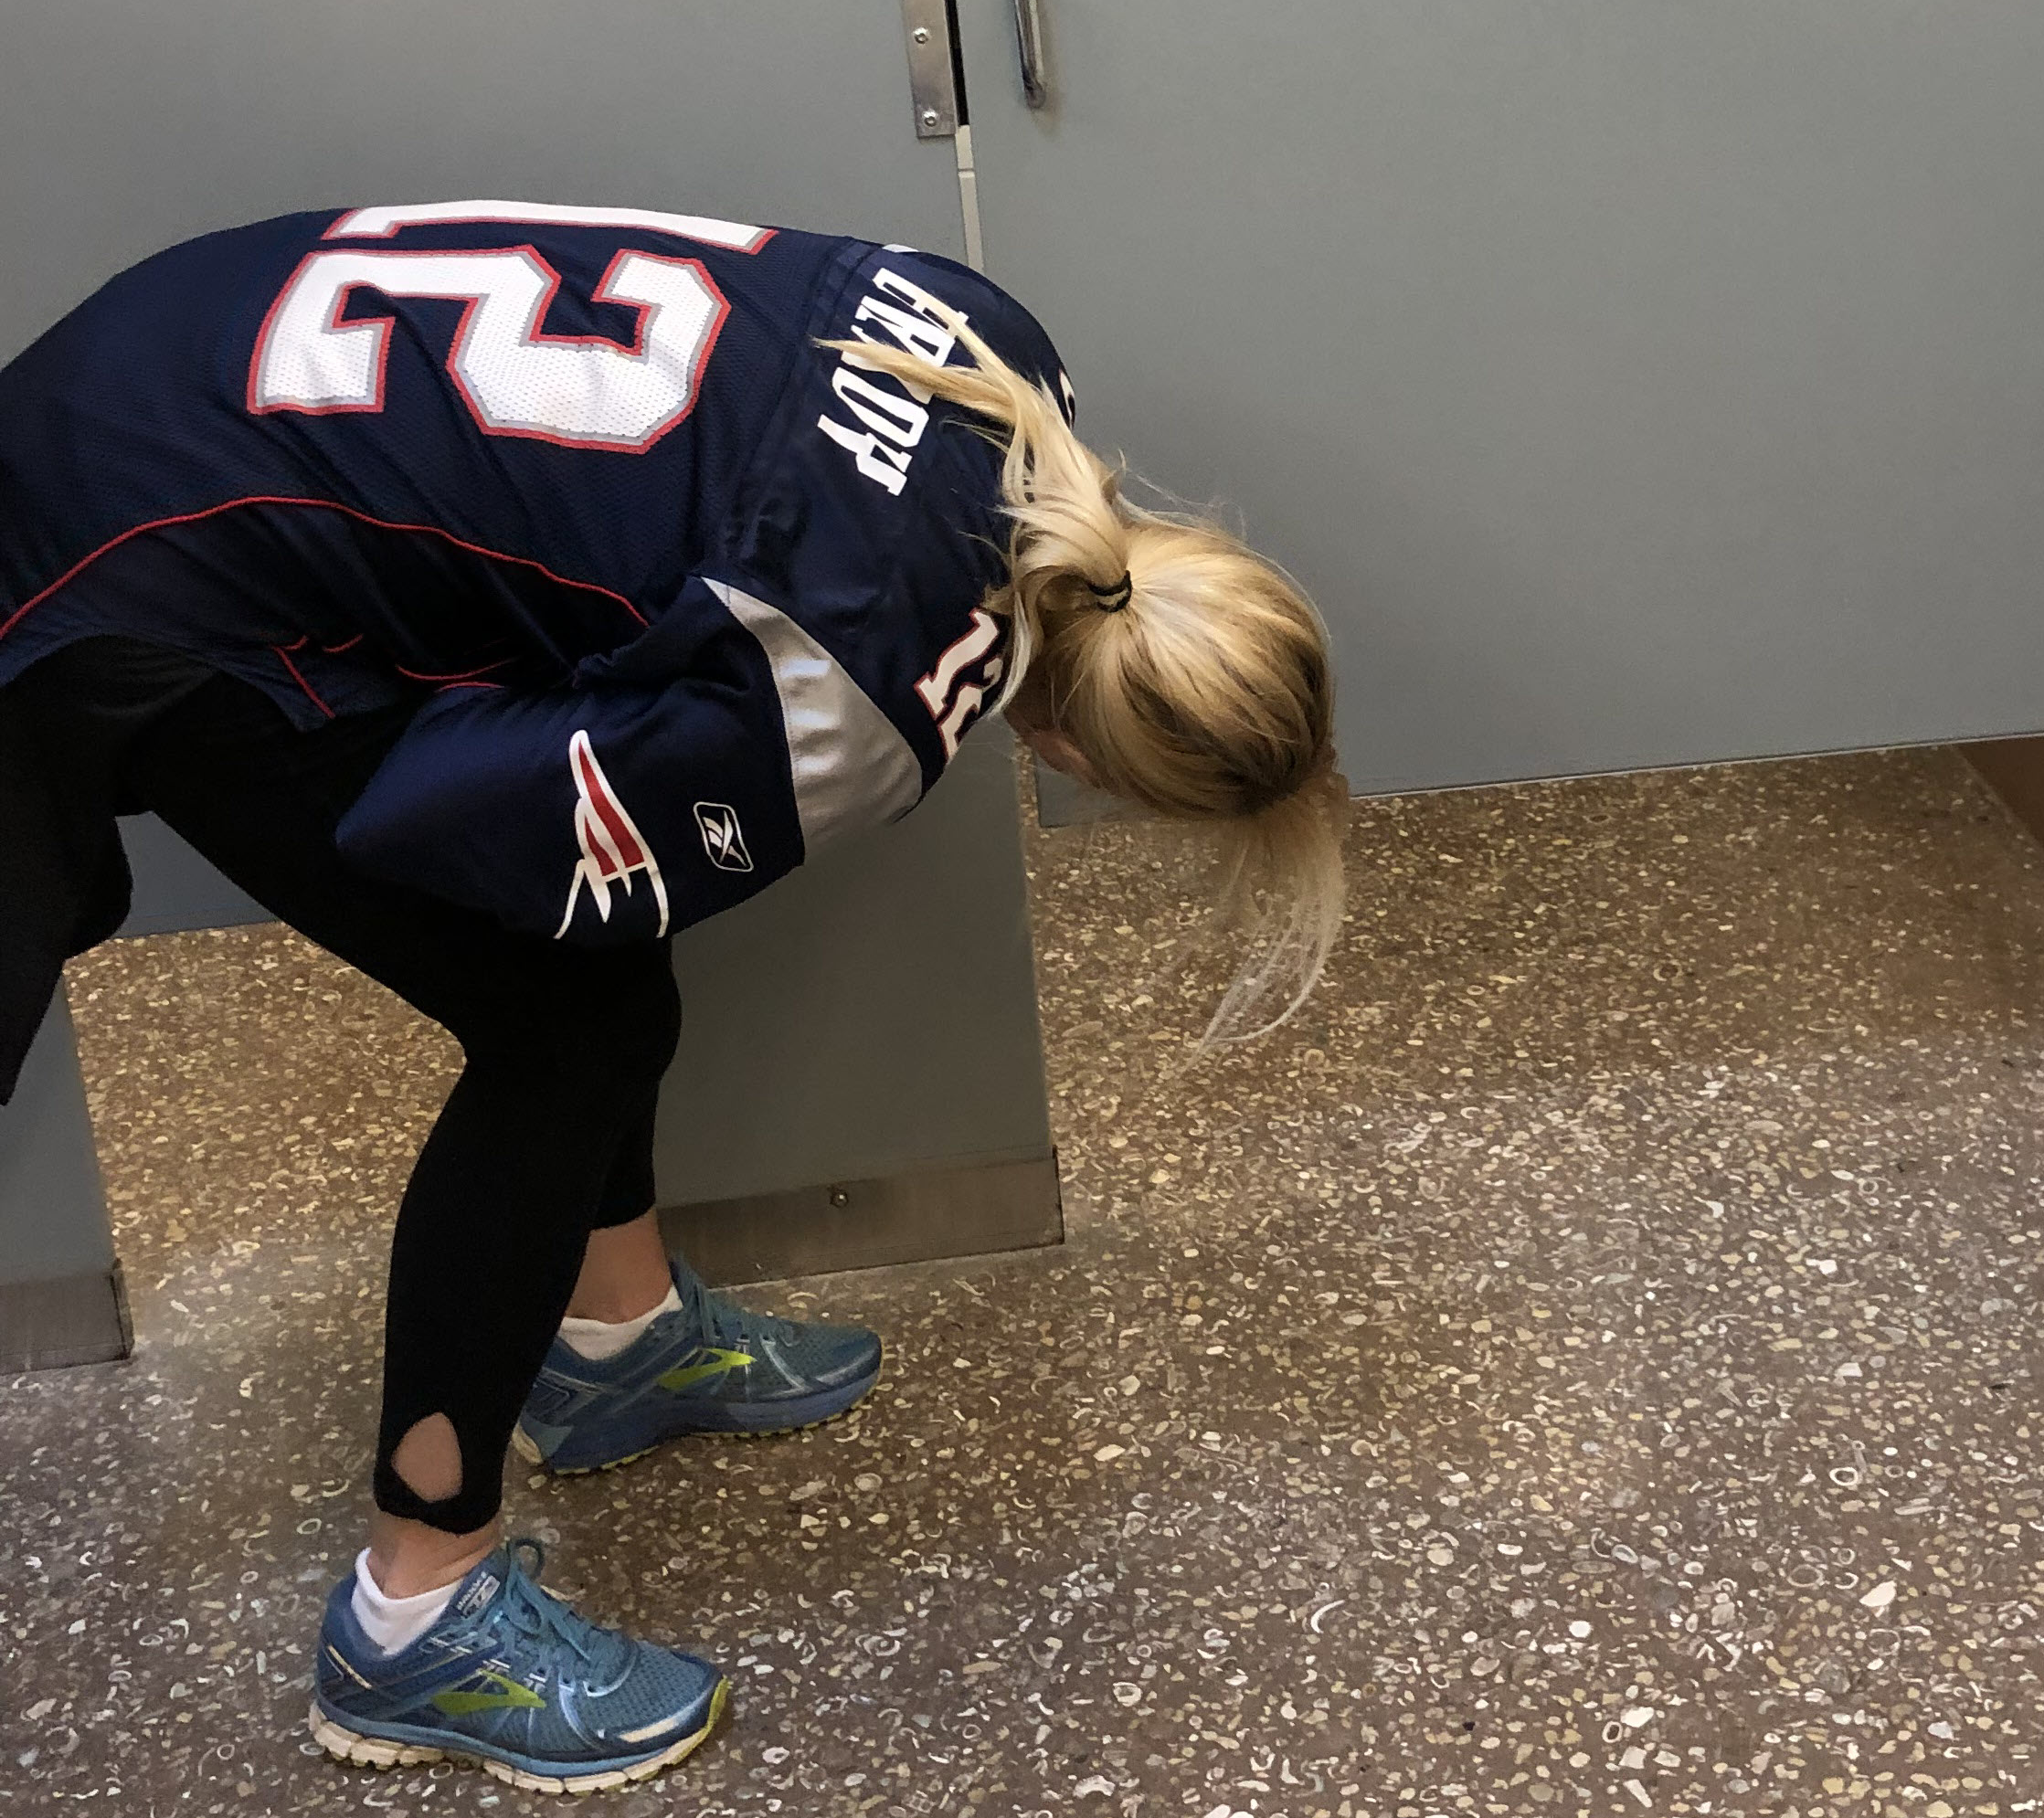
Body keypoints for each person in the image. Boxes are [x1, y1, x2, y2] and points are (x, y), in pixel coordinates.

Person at [0, 202, 1344, 1790]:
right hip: (138, 568)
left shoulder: (1002, 355)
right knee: (570, 1026)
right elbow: (467, 825)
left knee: (595, 968)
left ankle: (614, 1333)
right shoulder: (865, 700)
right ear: (1079, 759)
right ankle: (412, 1612)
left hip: (167, 361)